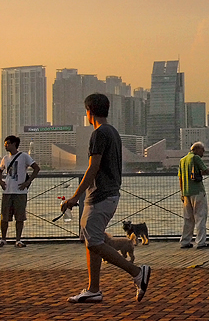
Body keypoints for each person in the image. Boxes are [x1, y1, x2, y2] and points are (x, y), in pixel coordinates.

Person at [62, 93, 150, 303]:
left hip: (100, 195)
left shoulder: (99, 134)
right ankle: (93, 289)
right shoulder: (113, 132)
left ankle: (137, 272)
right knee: (92, 241)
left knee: (93, 242)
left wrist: (75, 197)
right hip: (107, 194)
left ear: (89, 111)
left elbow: (94, 167)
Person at [0, 135, 40, 248]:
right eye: (5, 143)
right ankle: (3, 238)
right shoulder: (5, 158)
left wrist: (28, 182)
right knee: (4, 217)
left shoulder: (24, 156)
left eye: (8, 143)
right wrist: (1, 182)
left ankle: (18, 239)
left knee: (20, 217)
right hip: (7, 191)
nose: (6, 145)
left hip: (20, 192)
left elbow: (36, 168)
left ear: (14, 144)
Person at [178, 141, 209, 249]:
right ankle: (201, 242)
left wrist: (182, 193)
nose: (203, 152)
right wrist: (204, 172)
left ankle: (185, 241)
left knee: (188, 218)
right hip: (197, 191)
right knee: (200, 217)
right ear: (196, 149)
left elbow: (180, 178)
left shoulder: (182, 160)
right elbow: (205, 170)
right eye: (202, 150)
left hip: (186, 192)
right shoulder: (196, 158)